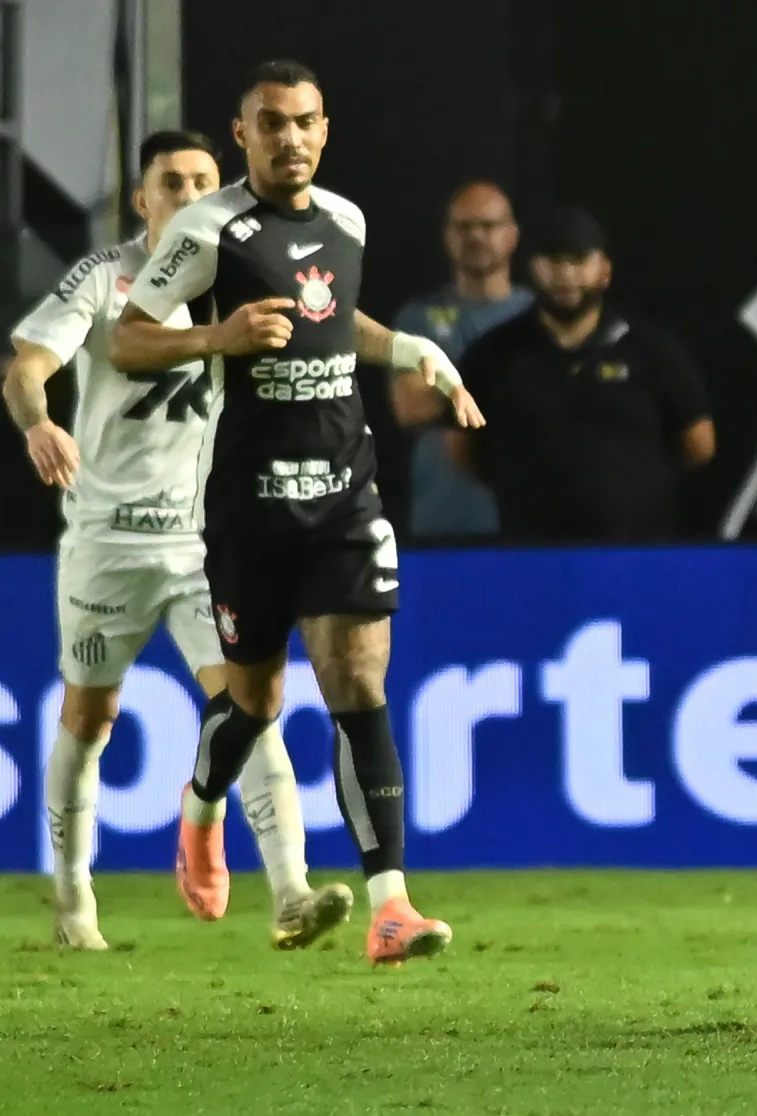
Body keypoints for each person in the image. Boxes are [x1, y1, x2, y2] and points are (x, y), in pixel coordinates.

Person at [110, 61, 484, 966]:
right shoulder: (208, 229)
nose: (292, 138)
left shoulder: (346, 221)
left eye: (306, 122)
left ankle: (390, 908)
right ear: (242, 134)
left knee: (357, 680)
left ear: (326, 127)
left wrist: (411, 350)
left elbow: (333, 320)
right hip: (250, 506)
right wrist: (215, 337)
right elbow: (127, 340)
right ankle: (201, 809)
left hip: (345, 493)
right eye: (272, 123)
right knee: (256, 699)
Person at [2, 130, 348, 951]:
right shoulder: (104, 277)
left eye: (203, 179)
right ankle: (73, 901)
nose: (190, 193)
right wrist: (38, 423)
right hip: (107, 543)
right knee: (90, 718)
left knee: (250, 705)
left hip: (203, 544)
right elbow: (24, 366)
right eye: (171, 181)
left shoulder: (240, 273)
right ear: (142, 198)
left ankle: (292, 894)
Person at [458, 206, 715, 542]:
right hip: (526, 554)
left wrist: (636, 487)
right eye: (552, 260)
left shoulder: (651, 350)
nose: (565, 274)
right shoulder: (492, 353)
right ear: (532, 268)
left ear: (604, 270)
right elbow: (460, 449)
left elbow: (700, 443)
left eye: (578, 260)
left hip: (636, 553)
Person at [391, 181, 533, 538]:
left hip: (528, 515)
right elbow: (411, 406)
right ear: (447, 237)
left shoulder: (537, 315)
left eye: (488, 226)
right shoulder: (418, 317)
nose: (476, 236)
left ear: (512, 235)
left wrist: (451, 387)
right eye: (464, 227)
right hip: (445, 517)